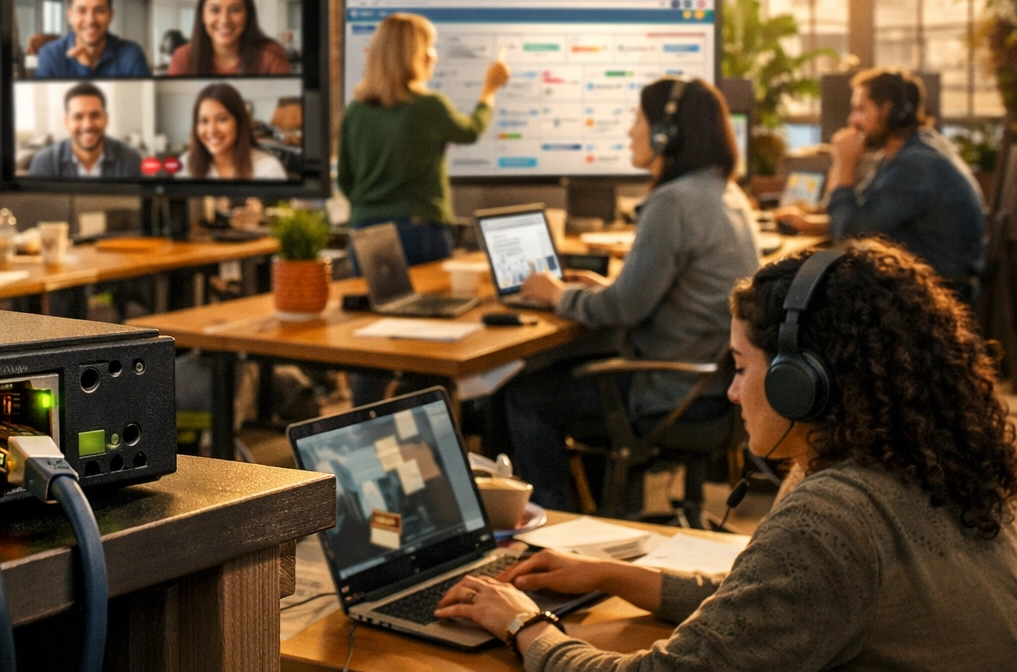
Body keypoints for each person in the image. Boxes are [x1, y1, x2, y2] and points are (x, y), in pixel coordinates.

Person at [434, 239, 1017, 670]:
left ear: (801, 383)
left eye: (740, 368)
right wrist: (613, 574)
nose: (733, 392)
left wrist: (521, 621)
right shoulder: (939, 468)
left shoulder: (836, 515)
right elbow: (774, 602)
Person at [508, 78, 761, 510]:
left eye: (637, 120)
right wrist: (601, 289)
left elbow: (624, 307)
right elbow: (653, 294)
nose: (630, 132)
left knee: (522, 396)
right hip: (709, 386)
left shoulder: (673, 202)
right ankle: (598, 514)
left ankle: (549, 533)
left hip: (666, 389)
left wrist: (555, 295)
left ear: (667, 134)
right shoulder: (727, 194)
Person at [778, 67, 984, 296]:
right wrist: (811, 225)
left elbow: (849, 236)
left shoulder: (916, 164)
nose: (851, 120)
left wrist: (844, 163)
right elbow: (865, 216)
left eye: (860, 109)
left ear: (887, 109)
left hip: (940, 293)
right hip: (921, 283)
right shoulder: (904, 152)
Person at [338, 13, 509, 266]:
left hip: (365, 230)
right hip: (417, 230)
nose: (434, 55)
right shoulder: (428, 106)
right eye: (429, 47)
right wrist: (489, 91)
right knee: (426, 303)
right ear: (416, 55)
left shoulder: (355, 110)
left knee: (369, 303)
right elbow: (470, 131)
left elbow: (345, 178)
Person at [166, 0, 292, 76]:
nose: (224, 20)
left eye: (235, 10)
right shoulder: (183, 57)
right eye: (215, 10)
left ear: (248, 14)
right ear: (202, 15)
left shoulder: (270, 56)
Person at [33, 0, 151, 78]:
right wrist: (84, 68)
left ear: (111, 15)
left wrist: (85, 68)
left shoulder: (131, 54)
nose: (90, 20)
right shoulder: (51, 55)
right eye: (81, 10)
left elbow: (142, 103)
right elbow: (45, 103)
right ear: (70, 16)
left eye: (99, 10)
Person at [27, 82, 144, 178]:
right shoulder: (43, 162)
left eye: (95, 115)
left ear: (106, 119)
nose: (88, 125)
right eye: (78, 117)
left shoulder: (131, 160)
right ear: (66, 122)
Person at [183, 83, 286, 180]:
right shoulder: (184, 164)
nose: (212, 130)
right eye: (204, 121)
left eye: (222, 119)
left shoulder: (268, 169)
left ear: (240, 123)